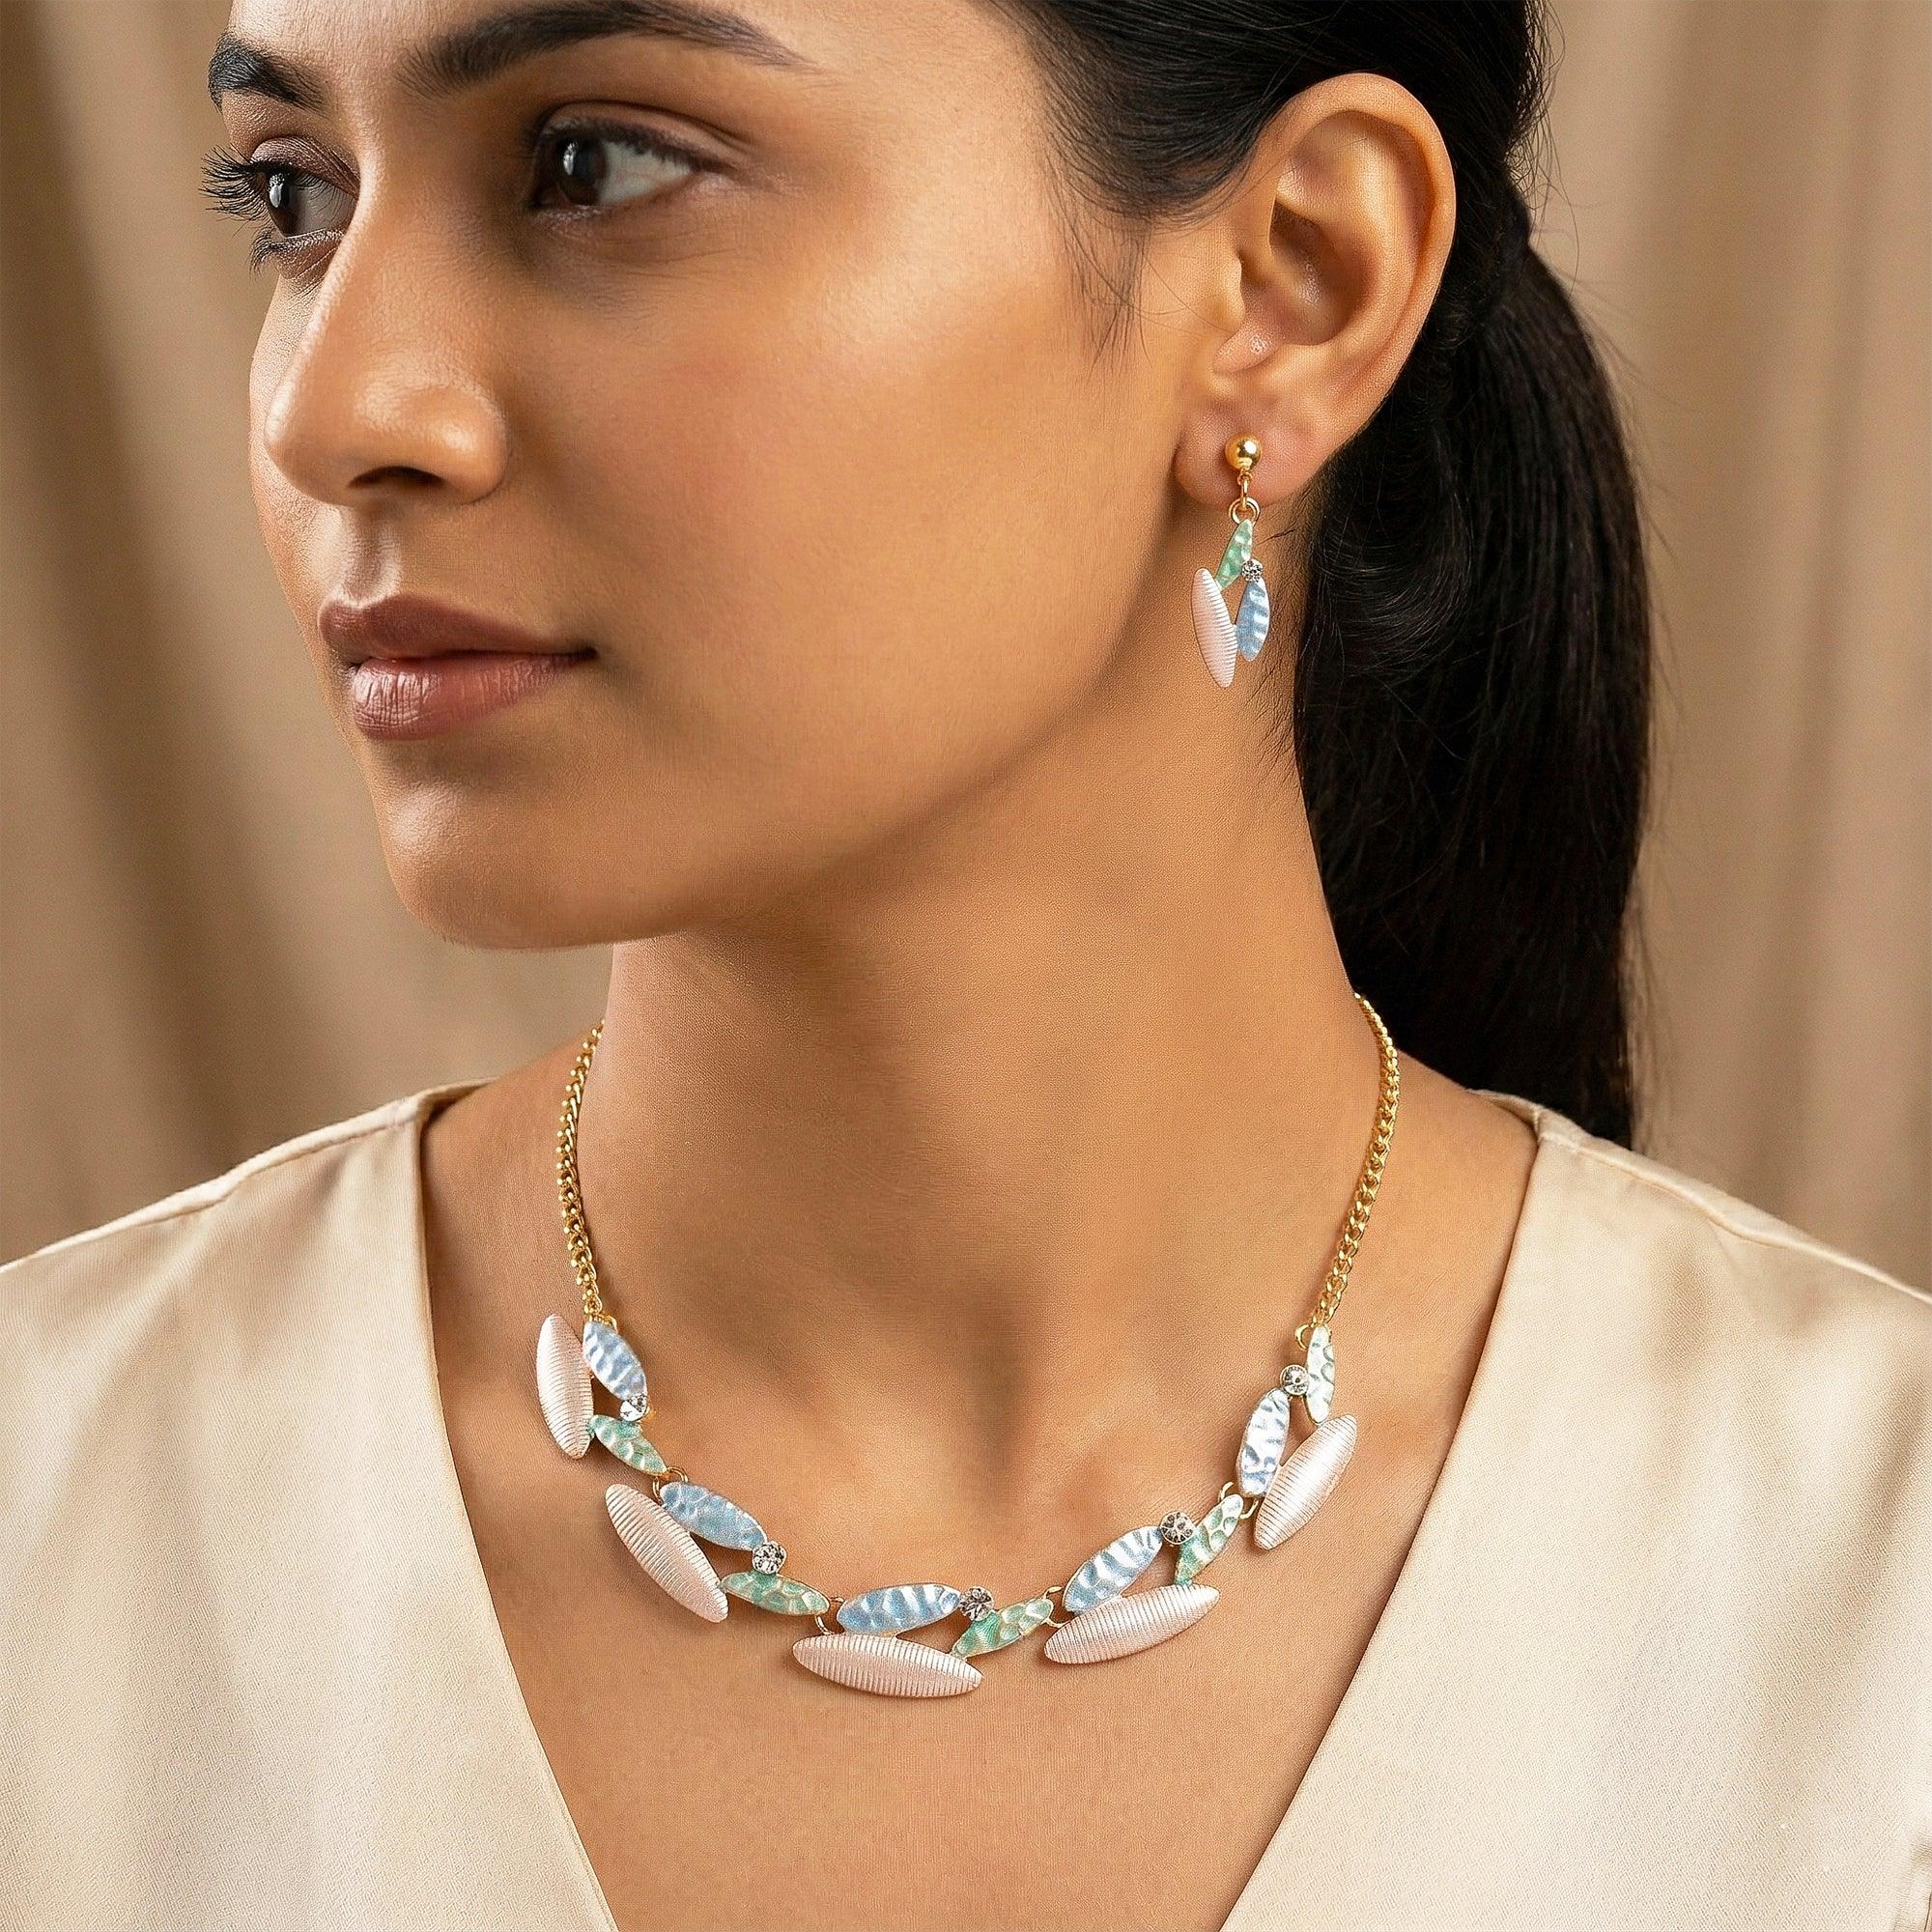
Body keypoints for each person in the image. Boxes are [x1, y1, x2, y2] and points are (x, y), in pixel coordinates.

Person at [4, 0, 1926, 1927]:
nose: (333, 411)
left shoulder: (1870, 1607)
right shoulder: (51, 1530)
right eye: (294, 197)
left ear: (1291, 286)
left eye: (596, 167)